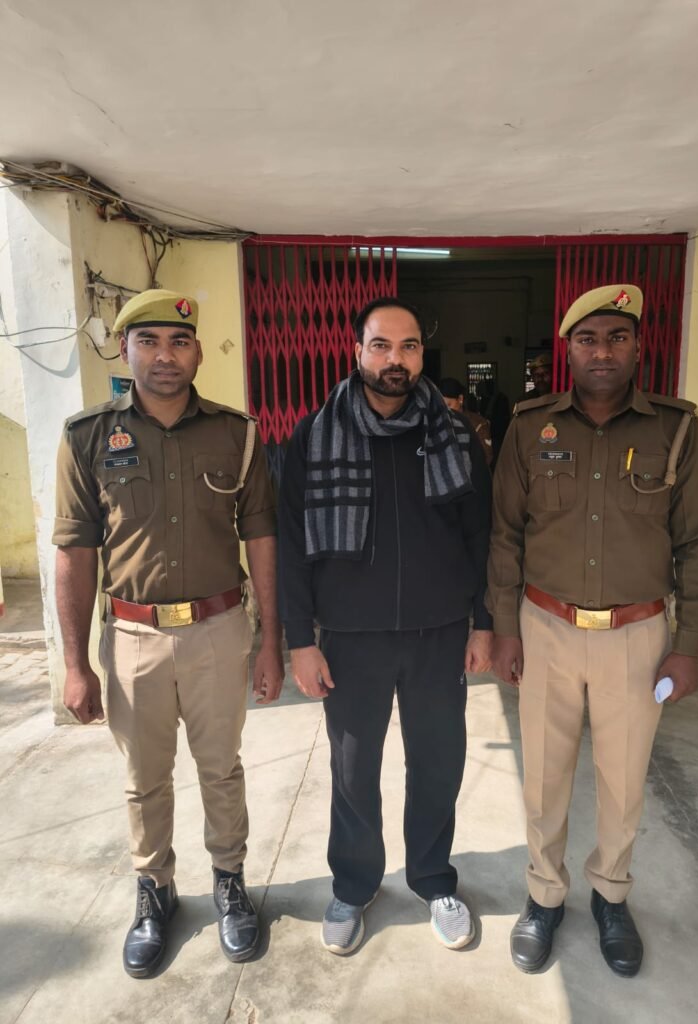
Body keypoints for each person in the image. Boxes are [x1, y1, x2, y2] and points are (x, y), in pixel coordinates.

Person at [488, 284, 698, 977]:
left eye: (617, 337)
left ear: (639, 347)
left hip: (636, 635)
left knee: (623, 778)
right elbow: (505, 535)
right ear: (568, 350)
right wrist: (504, 628)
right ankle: (544, 896)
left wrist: (688, 645)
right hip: (545, 625)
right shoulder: (529, 427)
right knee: (543, 775)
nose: (603, 351)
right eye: (588, 339)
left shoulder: (677, 430)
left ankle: (611, 895)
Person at [53, 289, 284, 978]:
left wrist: (270, 640)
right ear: (125, 350)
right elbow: (74, 552)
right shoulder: (87, 436)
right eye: (148, 341)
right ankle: (154, 891)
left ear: (198, 352)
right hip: (133, 639)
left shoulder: (237, 434)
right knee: (144, 778)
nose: (164, 355)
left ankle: (230, 882)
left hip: (218, 630)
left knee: (222, 769)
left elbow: (262, 538)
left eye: (179, 342)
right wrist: (75, 665)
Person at [278, 297, 493, 956]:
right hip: (350, 638)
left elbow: (480, 537)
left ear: (422, 354)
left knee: (437, 762)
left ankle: (432, 878)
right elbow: (291, 545)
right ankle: (354, 884)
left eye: (408, 346)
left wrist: (483, 623)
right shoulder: (314, 435)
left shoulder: (456, 437)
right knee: (353, 770)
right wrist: (300, 640)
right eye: (381, 345)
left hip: (439, 634)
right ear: (357, 351)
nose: (394, 359)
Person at [439, 376, 493, 466]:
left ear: (460, 399)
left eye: (449, 405)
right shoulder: (437, 423)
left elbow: (486, 458)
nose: (445, 411)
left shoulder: (478, 424)